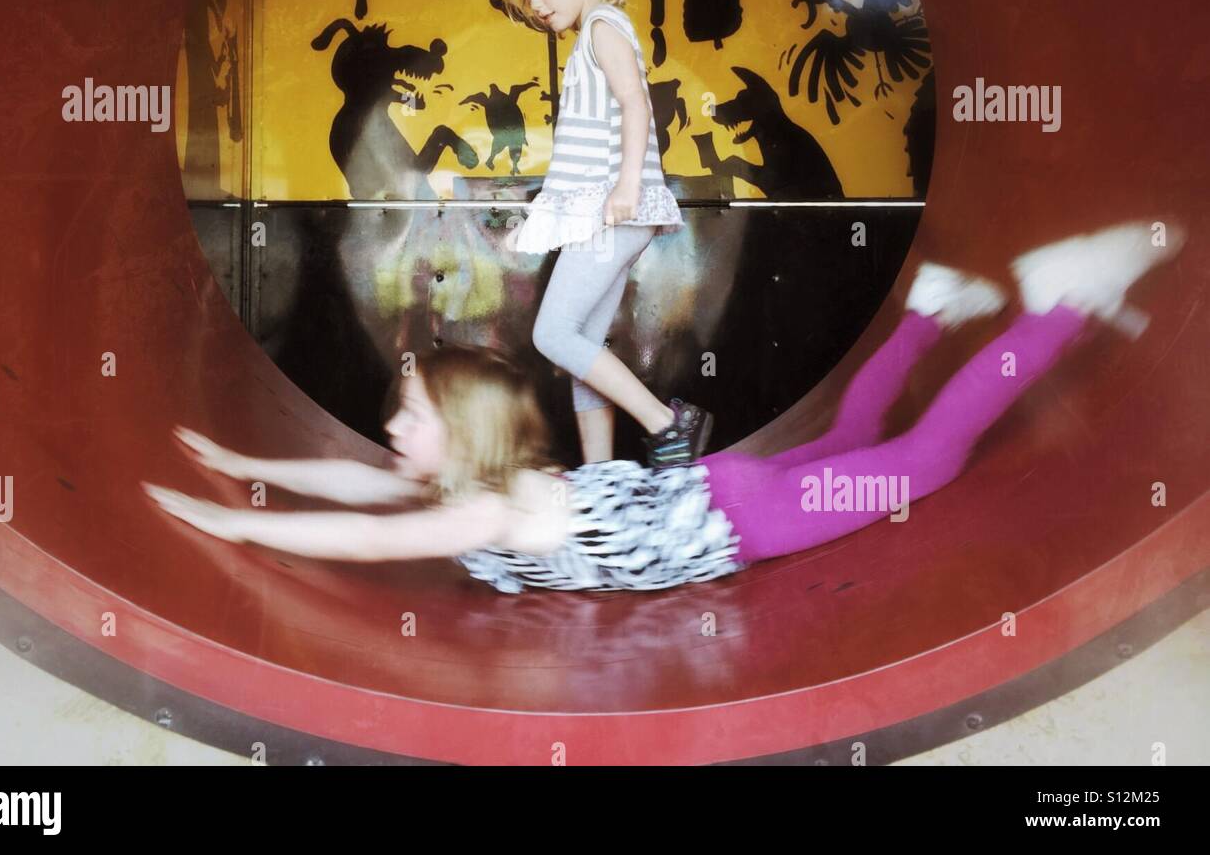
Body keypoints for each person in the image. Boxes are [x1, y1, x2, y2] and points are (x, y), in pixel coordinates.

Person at [146, 220, 1186, 594]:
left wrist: (235, 520)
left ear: (461, 434)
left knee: (924, 461)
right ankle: (927, 309)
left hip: (741, 516)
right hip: (716, 491)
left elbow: (368, 541)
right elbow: (355, 482)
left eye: (408, 416)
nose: (389, 432)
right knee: (852, 439)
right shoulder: (479, 480)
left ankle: (1057, 305)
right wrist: (255, 466)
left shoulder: (480, 510)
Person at [500, 0, 707, 470]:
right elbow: (582, 153)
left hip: (613, 211)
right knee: (581, 345)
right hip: (607, 211)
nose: (536, 1)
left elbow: (636, 103)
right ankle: (600, 478)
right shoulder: (596, 32)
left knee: (554, 336)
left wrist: (627, 186)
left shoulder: (601, 27)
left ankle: (669, 422)